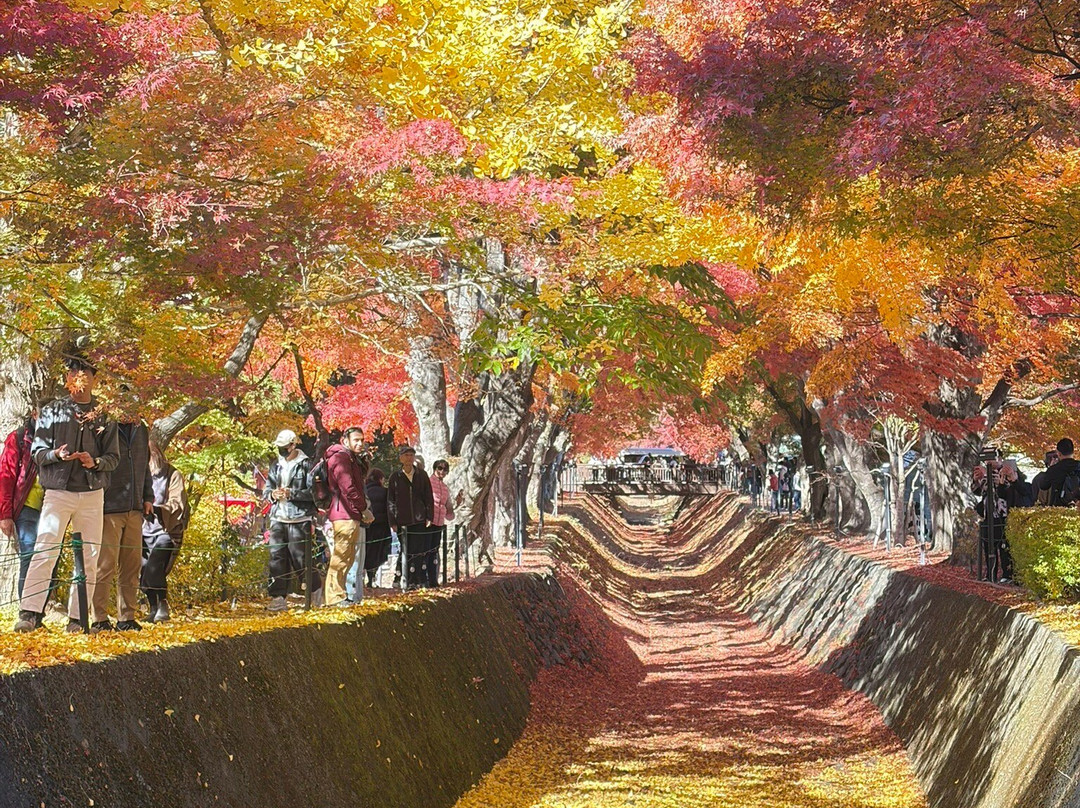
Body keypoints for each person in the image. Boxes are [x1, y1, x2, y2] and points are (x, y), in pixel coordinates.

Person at [15, 355, 120, 633]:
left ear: (94, 379)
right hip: (58, 491)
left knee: (89, 555)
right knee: (45, 549)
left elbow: (114, 457)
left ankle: (77, 618)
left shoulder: (104, 414)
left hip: (92, 492)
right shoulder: (52, 410)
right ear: (67, 378)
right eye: (73, 374)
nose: (79, 379)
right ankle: (29, 613)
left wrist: (94, 462)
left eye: (85, 374)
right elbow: (37, 453)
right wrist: (56, 454)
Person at [98, 414, 154, 631]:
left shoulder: (142, 428)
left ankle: (126, 617)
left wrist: (147, 496)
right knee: (105, 565)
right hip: (110, 506)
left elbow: (145, 466)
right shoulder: (105, 426)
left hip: (135, 507)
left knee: (131, 566)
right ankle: (99, 618)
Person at [263, 429, 321, 611]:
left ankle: (314, 593)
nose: (281, 450)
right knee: (276, 559)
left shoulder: (306, 465)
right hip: (278, 518)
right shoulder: (276, 466)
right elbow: (266, 490)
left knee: (301, 559)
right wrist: (273, 494)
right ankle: (278, 597)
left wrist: (292, 493)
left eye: (284, 447)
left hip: (299, 518)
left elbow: (314, 493)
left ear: (293, 445)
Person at [140, 441, 188, 622]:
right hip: (143, 531)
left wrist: (157, 509)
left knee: (155, 569)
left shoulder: (172, 474)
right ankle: (153, 608)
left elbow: (178, 502)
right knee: (143, 571)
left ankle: (163, 605)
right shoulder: (141, 475)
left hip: (166, 531)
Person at [0, 414, 46, 598]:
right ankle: (26, 611)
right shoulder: (20, 437)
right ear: (36, 414)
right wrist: (5, 515)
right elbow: (6, 475)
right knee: (30, 555)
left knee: (50, 557)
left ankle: (39, 611)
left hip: (52, 505)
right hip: (26, 506)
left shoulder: (59, 435)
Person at [323, 427, 370, 607]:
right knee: (341, 555)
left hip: (350, 513)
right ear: (345, 440)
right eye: (356, 440)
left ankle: (340, 595)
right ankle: (334, 597)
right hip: (344, 513)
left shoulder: (350, 458)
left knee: (348, 556)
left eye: (362, 440)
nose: (360, 443)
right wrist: (363, 508)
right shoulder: (341, 457)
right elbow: (348, 487)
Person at [387, 446, 435, 589]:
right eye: (406, 455)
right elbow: (391, 500)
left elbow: (428, 497)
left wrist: (429, 515)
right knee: (405, 549)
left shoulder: (422, 475)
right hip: (402, 520)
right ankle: (404, 577)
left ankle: (418, 579)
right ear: (401, 458)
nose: (408, 458)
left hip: (419, 519)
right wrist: (392, 520)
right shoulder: (395, 477)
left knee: (419, 549)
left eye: (411, 455)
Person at [359, 468, 391, 591]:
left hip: (367, 526)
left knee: (366, 551)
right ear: (380, 479)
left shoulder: (365, 491)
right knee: (378, 553)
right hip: (381, 526)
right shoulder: (385, 492)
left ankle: (362, 578)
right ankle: (371, 578)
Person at [430, 459, 456, 585]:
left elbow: (449, 510)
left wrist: (457, 503)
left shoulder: (445, 488)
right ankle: (425, 579)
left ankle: (434, 579)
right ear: (434, 468)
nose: (442, 471)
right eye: (439, 468)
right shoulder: (428, 483)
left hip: (439, 523)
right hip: (429, 522)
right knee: (427, 550)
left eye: (445, 469)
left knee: (435, 550)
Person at [1038, 438, 1080, 506]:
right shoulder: (1078, 466)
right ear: (1073, 451)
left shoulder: (1054, 469)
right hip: (1077, 505)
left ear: (1059, 453)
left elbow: (1043, 486)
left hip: (1058, 506)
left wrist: (1050, 469)